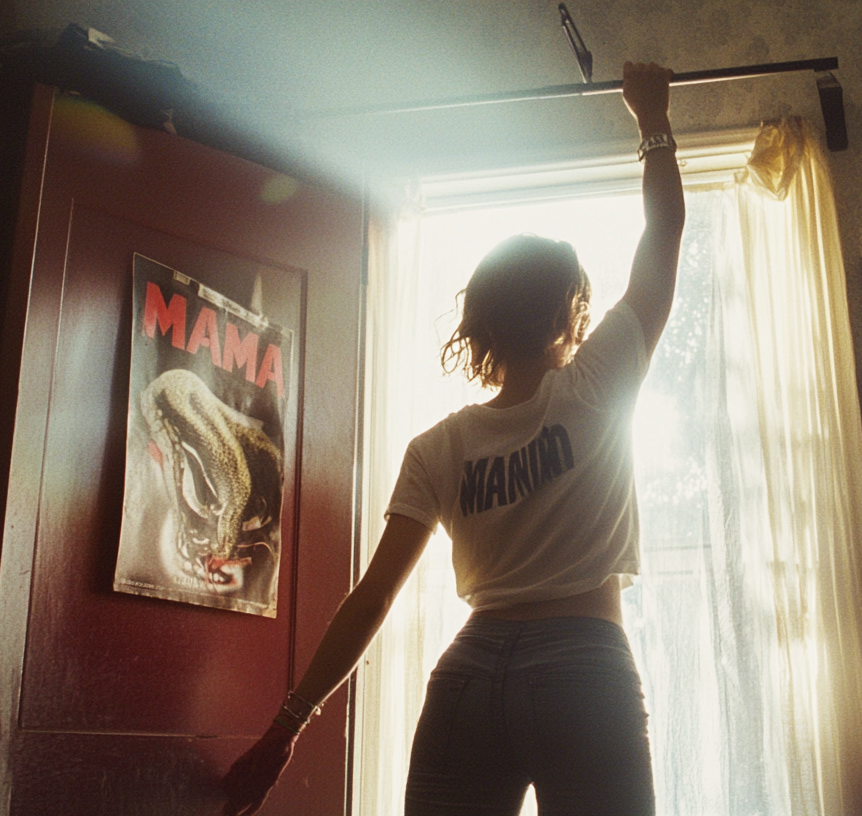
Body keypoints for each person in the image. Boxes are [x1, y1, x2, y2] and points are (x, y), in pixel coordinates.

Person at [222, 60, 683, 816]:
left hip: (468, 676)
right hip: (582, 665)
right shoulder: (598, 383)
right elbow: (663, 232)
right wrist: (652, 118)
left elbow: (370, 599)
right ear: (572, 314)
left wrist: (286, 726)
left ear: (485, 325)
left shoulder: (438, 445)